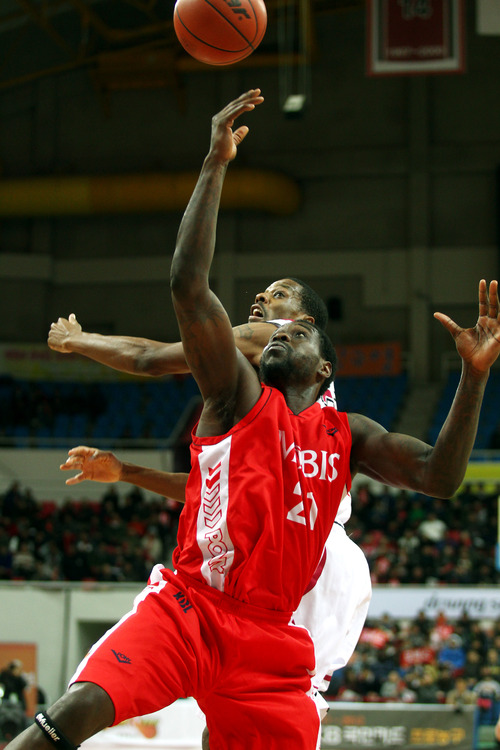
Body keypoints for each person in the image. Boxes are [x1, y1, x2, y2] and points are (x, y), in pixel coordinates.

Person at [9, 89, 500, 750]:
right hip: (229, 584)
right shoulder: (246, 389)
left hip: (304, 572)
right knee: (107, 706)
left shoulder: (319, 402)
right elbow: (181, 320)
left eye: (279, 304)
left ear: (318, 347)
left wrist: (472, 376)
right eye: (262, 302)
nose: (263, 311)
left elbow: (440, 476)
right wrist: (123, 459)